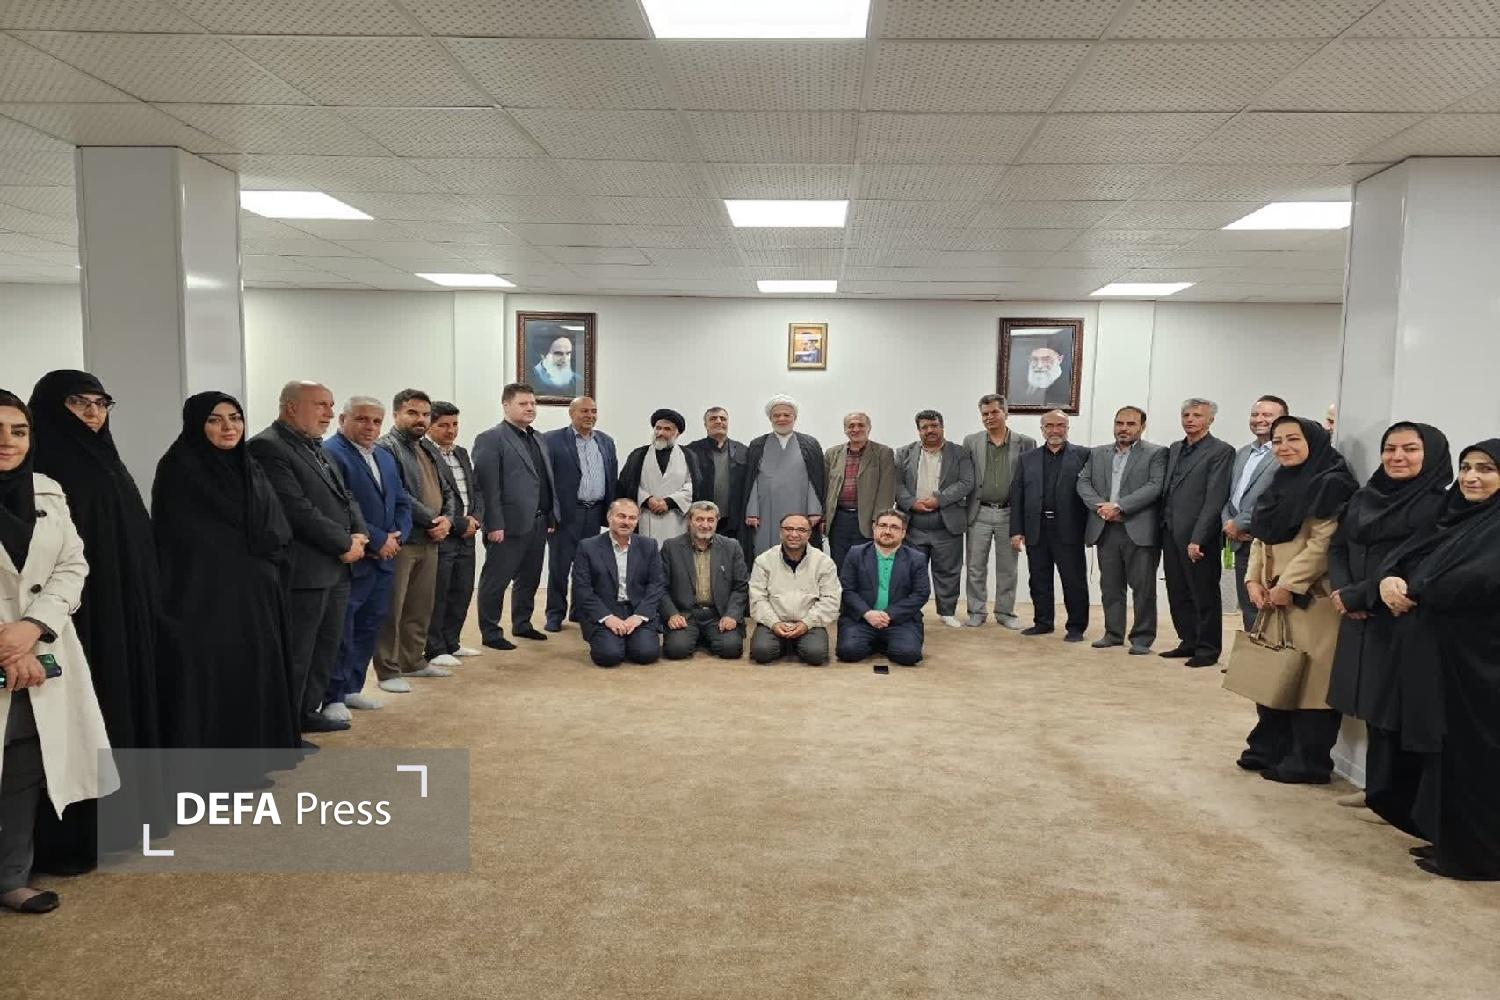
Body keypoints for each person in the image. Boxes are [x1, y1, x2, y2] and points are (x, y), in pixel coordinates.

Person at [26, 370, 160, 873]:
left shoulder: (107, 461)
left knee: (121, 706)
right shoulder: (42, 469)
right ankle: (71, 838)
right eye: (78, 403)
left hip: (124, 613)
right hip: (76, 620)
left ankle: (126, 818)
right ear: (49, 408)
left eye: (101, 403)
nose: (92, 413)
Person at [0, 389, 118, 914]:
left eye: (18, 431)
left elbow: (73, 564)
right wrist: (9, 645)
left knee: (25, 766)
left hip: (41, 649)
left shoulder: (46, 489)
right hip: (11, 652)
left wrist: (32, 628)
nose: (8, 442)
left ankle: (11, 877)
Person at [1373, 440, 1500, 880]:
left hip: (1479, 663)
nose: (1471, 477)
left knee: (1473, 756)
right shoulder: (1455, 515)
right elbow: (1407, 557)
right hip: (1438, 655)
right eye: (1466, 467)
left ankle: (1477, 855)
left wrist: (1418, 589)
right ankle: (1448, 837)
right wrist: (1391, 579)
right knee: (1440, 750)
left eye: (1486, 469)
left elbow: (1482, 579)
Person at [151, 391, 299, 751]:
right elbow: (182, 537)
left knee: (254, 669)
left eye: (235, 418)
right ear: (196, 425)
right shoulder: (180, 468)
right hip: (206, 597)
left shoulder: (247, 465)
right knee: (221, 674)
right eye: (215, 420)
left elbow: (273, 521)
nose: (228, 427)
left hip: (256, 594)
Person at [1327, 423, 1450, 811]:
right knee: (1372, 705)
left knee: (1397, 711)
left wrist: (1360, 594)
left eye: (1410, 449)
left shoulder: (1441, 506)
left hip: (1399, 617)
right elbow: (1338, 546)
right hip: (1359, 614)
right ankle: (1377, 790)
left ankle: (1397, 801)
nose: (1398, 457)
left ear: (1431, 454)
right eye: (1390, 448)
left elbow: (1416, 561)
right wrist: (1344, 591)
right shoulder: (1365, 497)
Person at [1237, 416, 1358, 784]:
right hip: (1272, 595)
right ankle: (1269, 747)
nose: (1284, 447)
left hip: (1311, 601)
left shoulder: (1331, 483)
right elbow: (1261, 536)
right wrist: (1252, 579)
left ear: (1314, 442)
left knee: (1312, 683)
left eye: (1294, 439)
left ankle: (1309, 762)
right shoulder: (1280, 481)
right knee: (1274, 672)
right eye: (1278, 441)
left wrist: (1290, 584)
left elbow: (1323, 543)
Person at [248, 381, 368, 738]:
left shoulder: (316, 446)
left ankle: (306, 712)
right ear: (291, 407)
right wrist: (343, 543)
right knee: (297, 653)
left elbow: (346, 496)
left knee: (325, 648)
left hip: (335, 567)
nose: (329, 413)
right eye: (321, 405)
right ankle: (284, 725)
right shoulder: (267, 447)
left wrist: (360, 534)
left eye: (330, 405)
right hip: (304, 569)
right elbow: (295, 508)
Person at [322, 396, 409, 709]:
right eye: (361, 419)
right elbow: (339, 507)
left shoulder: (383, 456)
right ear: (342, 420)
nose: (370, 426)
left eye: (376, 421)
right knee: (343, 629)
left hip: (384, 559)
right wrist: (378, 539)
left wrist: (397, 537)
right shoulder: (331, 453)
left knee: (369, 625)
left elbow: (401, 500)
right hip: (353, 559)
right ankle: (332, 697)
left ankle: (352, 688)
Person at [373, 390, 456, 688]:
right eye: (412, 413)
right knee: (392, 610)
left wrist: (447, 519)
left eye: (425, 414)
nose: (420, 419)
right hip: (404, 540)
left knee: (420, 607)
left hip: (431, 540)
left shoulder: (427, 448)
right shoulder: (386, 448)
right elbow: (398, 493)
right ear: (396, 414)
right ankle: (388, 670)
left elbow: (448, 489)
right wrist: (433, 520)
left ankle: (412, 661)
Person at [472, 383, 558, 651]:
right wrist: (493, 524)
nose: (530, 408)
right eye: (523, 404)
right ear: (506, 405)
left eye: (532, 403)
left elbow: (545, 481)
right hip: (507, 526)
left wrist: (551, 515)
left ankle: (522, 623)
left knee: (529, 578)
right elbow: (486, 487)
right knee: (496, 580)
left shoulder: (538, 438)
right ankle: (491, 632)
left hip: (539, 522)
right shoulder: (491, 438)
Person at [1077, 406, 1167, 654]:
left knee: (1143, 588)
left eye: (1130, 424)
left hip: (1138, 529)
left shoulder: (1156, 453)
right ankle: (1113, 633)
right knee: (1110, 587)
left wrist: (1119, 506)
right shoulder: (1098, 453)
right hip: (1106, 528)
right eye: (1119, 423)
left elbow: (1155, 486)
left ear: (1142, 427)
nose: (1123, 428)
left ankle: (1142, 638)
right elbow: (1083, 482)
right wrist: (1101, 507)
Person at [1159, 398, 1235, 667]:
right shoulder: (1175, 448)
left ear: (1211, 420)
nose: (1190, 419)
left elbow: (1215, 498)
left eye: (1197, 415)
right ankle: (1188, 640)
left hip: (1198, 536)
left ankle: (1207, 649)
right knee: (1177, 590)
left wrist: (1198, 538)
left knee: (1203, 593)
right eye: (1186, 415)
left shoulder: (1221, 451)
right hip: (1170, 531)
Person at [1010, 410, 1089, 641]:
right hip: (1036, 529)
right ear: (1042, 429)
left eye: (1060, 425)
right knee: (1039, 579)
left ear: (1067, 428)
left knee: (1073, 581)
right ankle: (1043, 622)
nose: (1055, 430)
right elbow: (1017, 496)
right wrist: (1016, 530)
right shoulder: (1027, 458)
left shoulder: (1083, 455)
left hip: (1070, 529)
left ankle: (1076, 627)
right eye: (1049, 426)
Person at [542, 396, 617, 632]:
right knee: (560, 567)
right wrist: (549, 514)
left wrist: (610, 511)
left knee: (588, 567)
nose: (590, 416)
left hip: (594, 512)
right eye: (584, 411)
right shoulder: (552, 440)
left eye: (593, 411)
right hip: (566, 514)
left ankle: (580, 611)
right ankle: (555, 614)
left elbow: (611, 476)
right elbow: (545, 480)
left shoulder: (606, 441)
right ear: (571, 413)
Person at [896, 409, 974, 629]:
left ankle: (947, 612)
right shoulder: (904, 453)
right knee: (910, 571)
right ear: (918, 430)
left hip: (946, 523)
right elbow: (897, 484)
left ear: (942, 427)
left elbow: (966, 483)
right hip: (914, 524)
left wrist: (938, 500)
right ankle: (910, 612)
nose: (930, 430)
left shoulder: (960, 452)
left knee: (948, 571)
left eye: (934, 426)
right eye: (925, 427)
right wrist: (912, 502)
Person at [962, 394, 1035, 629]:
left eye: (995, 412)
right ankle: (976, 611)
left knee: (1007, 568)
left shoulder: (1026, 442)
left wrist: (1024, 520)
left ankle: (1005, 613)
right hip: (979, 513)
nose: (989, 417)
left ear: (1006, 413)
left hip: (1009, 514)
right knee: (975, 566)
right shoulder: (971, 441)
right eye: (985, 414)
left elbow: (1029, 483)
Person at [572, 499, 665, 668]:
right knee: (609, 656)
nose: (626, 522)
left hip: (637, 609)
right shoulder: (588, 547)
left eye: (632, 518)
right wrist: (607, 618)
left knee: (646, 653)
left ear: (637, 521)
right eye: (621, 516)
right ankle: (617, 641)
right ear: (609, 517)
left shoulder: (649, 545)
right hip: (606, 609)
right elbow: (582, 589)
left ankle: (629, 640)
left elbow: (656, 585)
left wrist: (639, 616)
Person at [1223, 395, 1288, 630]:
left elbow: (1275, 497)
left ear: (1283, 420)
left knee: (1268, 604)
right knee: (1248, 604)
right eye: (1255, 414)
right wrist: (1228, 524)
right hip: (1240, 541)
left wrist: (1240, 523)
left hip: (1266, 540)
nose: (1259, 419)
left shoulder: (1284, 454)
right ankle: (1251, 650)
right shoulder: (1242, 453)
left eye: (1267, 415)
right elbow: (1230, 496)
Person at [425, 401, 483, 663]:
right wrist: (460, 523)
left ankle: (452, 642)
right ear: (430, 426)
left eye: (455, 424)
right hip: (443, 534)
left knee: (462, 591)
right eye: (443, 425)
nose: (451, 430)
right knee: (439, 594)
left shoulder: (461, 452)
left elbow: (475, 490)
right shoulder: (424, 453)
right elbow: (432, 499)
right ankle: (435, 649)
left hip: (468, 534)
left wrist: (476, 519)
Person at [835, 509, 930, 666]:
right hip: (862, 619)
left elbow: (921, 594)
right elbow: (847, 590)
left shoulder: (916, 558)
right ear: (874, 528)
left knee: (908, 655)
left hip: (900, 620)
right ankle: (879, 641)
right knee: (848, 652)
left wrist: (889, 615)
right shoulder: (856, 554)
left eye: (894, 527)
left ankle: (882, 641)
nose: (887, 531)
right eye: (883, 525)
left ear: (903, 533)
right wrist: (867, 613)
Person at [660, 501, 749, 660]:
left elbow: (740, 587)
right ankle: (697, 637)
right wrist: (672, 614)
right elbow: (661, 587)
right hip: (686, 615)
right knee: (676, 650)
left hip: (718, 614)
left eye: (710, 520)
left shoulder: (732, 546)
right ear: (689, 521)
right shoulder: (671, 547)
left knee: (731, 649)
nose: (705, 525)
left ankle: (704, 637)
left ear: (717, 521)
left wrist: (732, 615)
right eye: (699, 519)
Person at [748, 513, 840, 665]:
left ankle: (792, 645)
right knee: (762, 652)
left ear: (809, 534)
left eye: (801, 530)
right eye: (788, 529)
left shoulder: (824, 562)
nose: (794, 534)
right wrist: (774, 623)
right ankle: (787, 644)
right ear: (780, 532)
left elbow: (830, 600)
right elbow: (757, 599)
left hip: (810, 624)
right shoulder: (764, 560)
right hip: (773, 622)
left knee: (815, 654)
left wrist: (806, 623)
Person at [743, 396, 825, 557]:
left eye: (786, 415)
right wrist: (752, 511)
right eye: (777, 415)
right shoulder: (758, 444)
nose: (781, 419)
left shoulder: (810, 444)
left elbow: (815, 479)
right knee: (767, 555)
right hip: (766, 510)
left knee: (800, 552)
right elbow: (751, 481)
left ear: (795, 418)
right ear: (770, 418)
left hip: (800, 507)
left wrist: (815, 510)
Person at [618, 409, 704, 542]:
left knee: (674, 551)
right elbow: (628, 483)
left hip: (676, 519)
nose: (660, 433)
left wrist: (669, 502)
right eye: (658, 428)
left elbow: (693, 485)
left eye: (667, 429)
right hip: (645, 516)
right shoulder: (638, 455)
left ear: (677, 433)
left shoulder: (689, 456)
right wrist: (647, 499)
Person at [822, 412, 896, 568]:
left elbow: (886, 491)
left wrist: (879, 522)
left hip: (868, 520)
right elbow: (825, 488)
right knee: (840, 565)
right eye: (851, 426)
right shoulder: (832, 453)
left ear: (869, 428)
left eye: (861, 425)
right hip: (838, 520)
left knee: (866, 567)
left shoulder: (883, 453)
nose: (856, 429)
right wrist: (824, 518)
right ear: (845, 430)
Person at [685, 406, 748, 544]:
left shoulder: (743, 451)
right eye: (713, 418)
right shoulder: (692, 451)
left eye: (723, 419)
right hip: (702, 519)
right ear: (705, 424)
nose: (719, 421)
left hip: (733, 521)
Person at [1008, 342, 1072, 409]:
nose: (1039, 366)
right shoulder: (1022, 386)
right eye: (1034, 359)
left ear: (1059, 360)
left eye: (1046, 359)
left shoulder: (1066, 388)